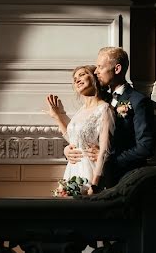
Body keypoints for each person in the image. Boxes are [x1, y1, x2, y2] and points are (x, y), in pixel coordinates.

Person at [65, 47, 156, 189]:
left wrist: (109, 158)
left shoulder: (138, 101)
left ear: (117, 69)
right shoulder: (100, 101)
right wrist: (68, 151)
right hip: (94, 174)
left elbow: (145, 148)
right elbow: (83, 131)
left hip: (125, 180)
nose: (96, 71)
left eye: (100, 67)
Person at [45, 65, 115, 195]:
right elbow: (74, 139)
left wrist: (94, 185)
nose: (77, 80)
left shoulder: (104, 109)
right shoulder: (81, 111)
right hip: (73, 170)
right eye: (75, 78)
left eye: (82, 74)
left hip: (91, 171)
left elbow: (104, 151)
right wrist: (57, 116)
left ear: (94, 77)